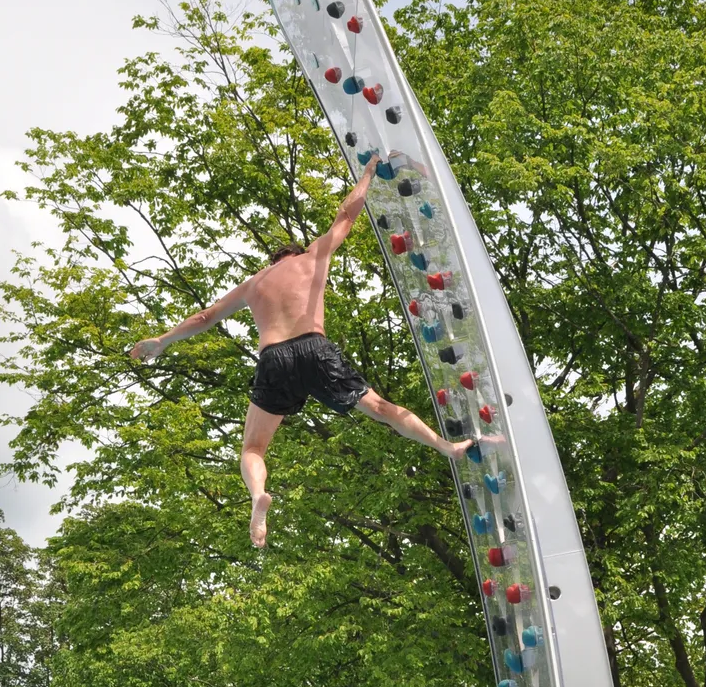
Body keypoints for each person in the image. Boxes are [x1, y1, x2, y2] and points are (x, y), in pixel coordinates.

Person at [129, 164, 475, 547]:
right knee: (380, 408)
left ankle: (258, 495)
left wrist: (162, 340)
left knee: (253, 448)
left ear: (273, 261)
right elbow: (347, 214)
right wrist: (368, 174)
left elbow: (205, 317)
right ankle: (447, 447)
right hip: (316, 348)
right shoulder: (312, 258)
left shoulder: (253, 284)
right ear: (294, 255)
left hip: (273, 358)